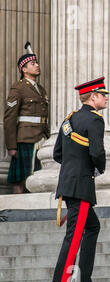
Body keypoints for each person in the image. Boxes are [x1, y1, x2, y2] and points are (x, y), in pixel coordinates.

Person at [49, 77, 109, 282]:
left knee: (92, 226)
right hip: (82, 186)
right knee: (72, 240)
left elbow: (57, 154)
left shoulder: (69, 119)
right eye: (103, 95)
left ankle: (84, 278)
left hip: (68, 183)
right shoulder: (95, 121)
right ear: (92, 97)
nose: (105, 98)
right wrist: (99, 168)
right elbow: (96, 153)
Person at [3, 42, 49, 194]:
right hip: (25, 138)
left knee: (37, 174)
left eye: (37, 63)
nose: (37, 66)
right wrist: (11, 146)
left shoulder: (41, 90)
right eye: (33, 63)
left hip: (41, 137)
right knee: (21, 178)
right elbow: (10, 117)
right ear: (24, 69)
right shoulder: (19, 87)